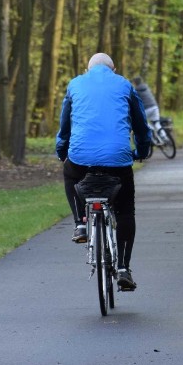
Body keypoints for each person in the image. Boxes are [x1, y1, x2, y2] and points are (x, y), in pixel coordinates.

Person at [56, 53, 151, 291]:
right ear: (114, 69)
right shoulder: (124, 85)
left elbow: (65, 123)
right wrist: (141, 150)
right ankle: (123, 268)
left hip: (81, 158)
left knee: (69, 172)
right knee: (126, 210)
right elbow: (141, 125)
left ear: (87, 70)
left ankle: (79, 223)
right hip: (117, 159)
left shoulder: (75, 84)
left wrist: (61, 150)